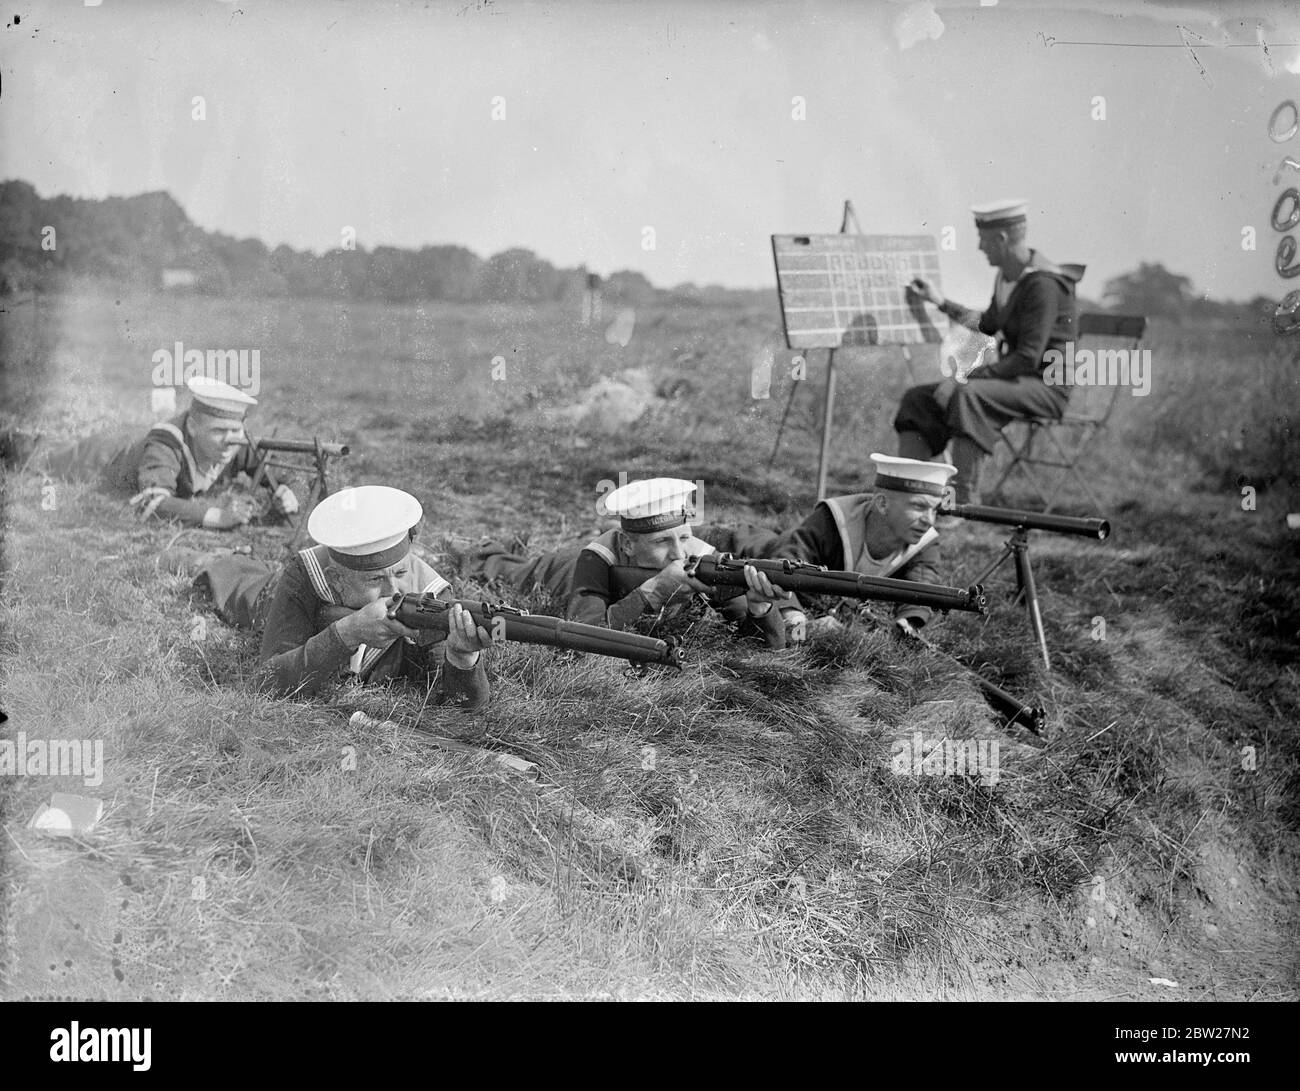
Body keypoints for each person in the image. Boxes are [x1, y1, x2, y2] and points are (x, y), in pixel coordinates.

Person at [186, 485, 492, 704]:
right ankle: (199, 558)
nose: (394, 591)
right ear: (336, 580)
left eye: (400, 574)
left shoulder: (431, 594)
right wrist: (346, 633)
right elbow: (265, 683)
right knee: (238, 585)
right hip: (268, 596)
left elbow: (458, 705)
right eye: (374, 579)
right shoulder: (306, 577)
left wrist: (462, 657)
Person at [463, 477, 806, 648]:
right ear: (628, 542)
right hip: (563, 569)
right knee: (511, 570)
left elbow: (761, 648)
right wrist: (654, 591)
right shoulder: (596, 559)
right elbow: (586, 638)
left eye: (684, 537)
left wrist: (761, 609)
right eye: (661, 542)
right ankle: (477, 549)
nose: (678, 554)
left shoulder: (702, 557)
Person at [894, 199, 1082, 504]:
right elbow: (987, 323)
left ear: (1002, 239)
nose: (981, 247)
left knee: (968, 395)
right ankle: (911, 494)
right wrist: (940, 301)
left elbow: (1028, 358)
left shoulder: (1041, 284)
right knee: (918, 399)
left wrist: (962, 379)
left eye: (983, 240)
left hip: (1046, 387)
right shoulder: (1007, 278)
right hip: (1016, 381)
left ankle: (963, 504)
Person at [20, 376, 298, 529]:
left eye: (236, 430)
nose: (230, 440)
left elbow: (281, 472)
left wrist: (288, 490)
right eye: (218, 431)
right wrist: (217, 516)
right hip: (103, 456)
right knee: (41, 455)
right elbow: (151, 503)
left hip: (134, 438)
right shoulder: (166, 444)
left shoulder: (236, 441)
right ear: (193, 425)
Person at [758, 454, 957, 634]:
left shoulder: (925, 541)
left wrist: (908, 623)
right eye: (919, 506)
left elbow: (922, 585)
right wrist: (797, 621)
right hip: (753, 555)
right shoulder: (834, 518)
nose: (929, 520)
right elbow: (782, 564)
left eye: (935, 510)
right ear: (882, 504)